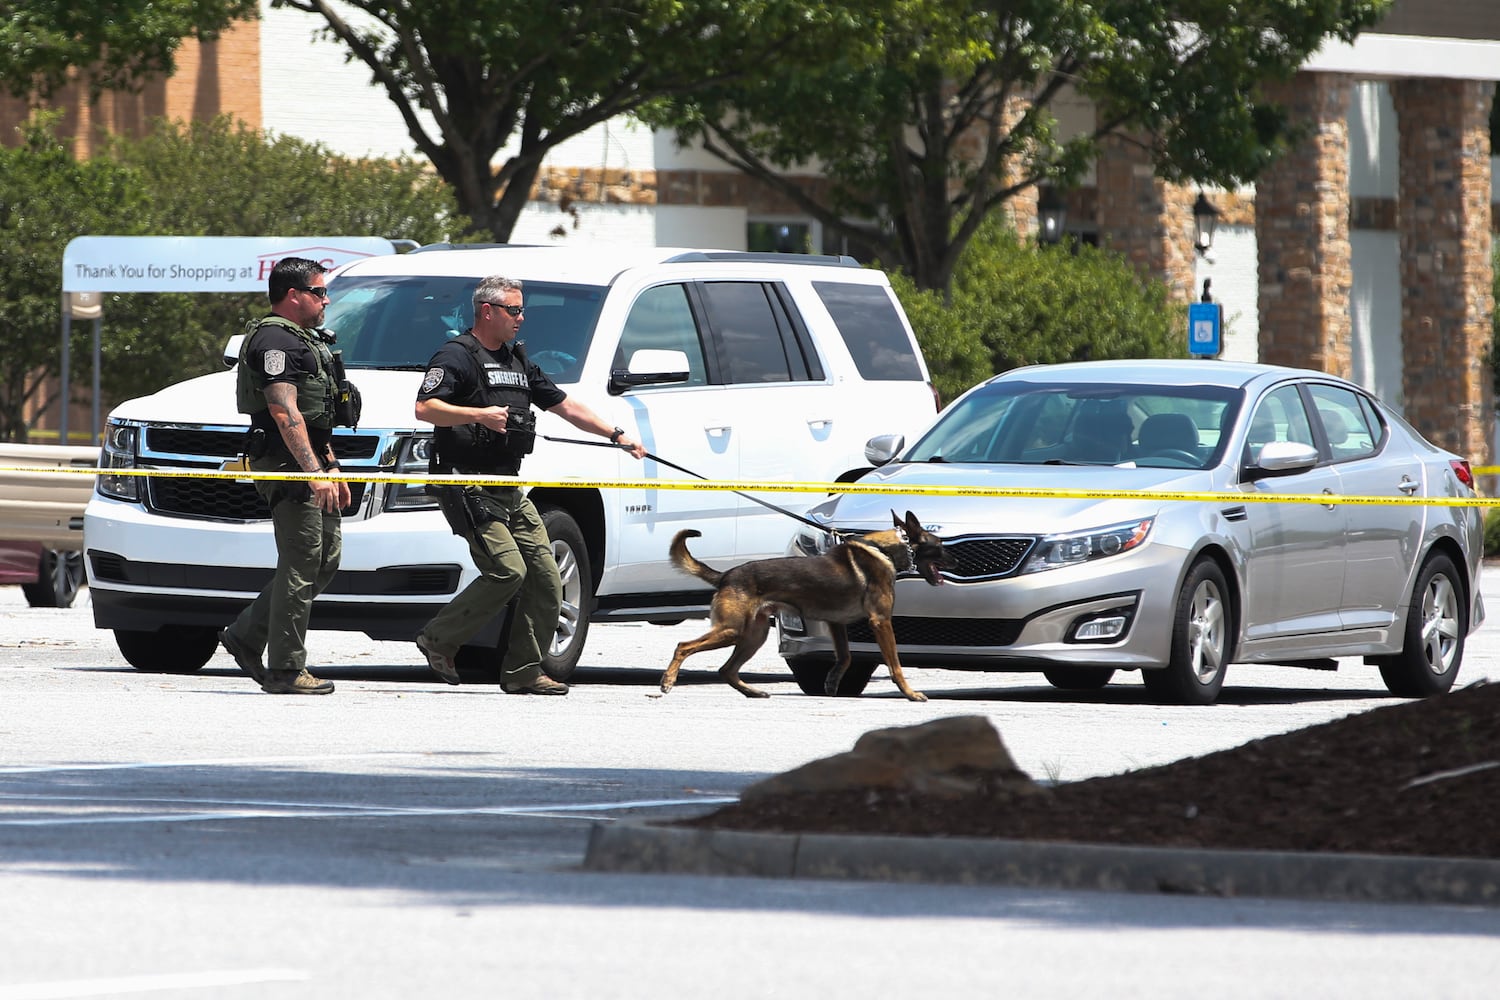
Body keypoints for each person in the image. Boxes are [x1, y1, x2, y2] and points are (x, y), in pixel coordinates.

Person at [414, 275, 645, 694]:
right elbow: (425, 408)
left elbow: (565, 404)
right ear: (487, 311)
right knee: (507, 570)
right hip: (466, 485)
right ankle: (438, 639)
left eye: (522, 310)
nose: (522, 318)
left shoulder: (517, 361)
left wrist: (615, 435)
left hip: (507, 487)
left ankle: (523, 671)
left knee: (547, 577)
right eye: (514, 310)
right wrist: (479, 416)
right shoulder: (457, 356)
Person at [218, 257, 352, 695]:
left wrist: (331, 465)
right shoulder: (276, 341)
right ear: (293, 295)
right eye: (318, 292)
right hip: (286, 465)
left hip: (310, 462)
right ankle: (285, 669)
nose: (325, 300)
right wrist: (311, 473)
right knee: (301, 562)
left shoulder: (306, 341)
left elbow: (316, 419)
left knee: (325, 558)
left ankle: (245, 635)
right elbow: (283, 410)